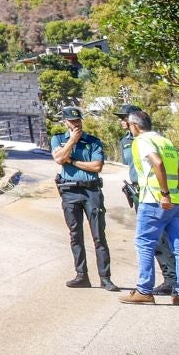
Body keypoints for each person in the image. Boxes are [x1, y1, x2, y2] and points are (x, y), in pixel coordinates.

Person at [119, 108, 179, 306]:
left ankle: (144, 290)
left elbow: (157, 163)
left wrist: (165, 194)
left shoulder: (142, 141)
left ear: (134, 126)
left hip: (154, 199)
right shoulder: (165, 141)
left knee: (144, 243)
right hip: (175, 202)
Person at [51, 106, 119, 290]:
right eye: (72, 121)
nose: (76, 124)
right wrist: (72, 141)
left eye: (78, 120)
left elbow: (97, 166)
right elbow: (58, 158)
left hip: (91, 191)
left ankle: (105, 278)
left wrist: (72, 161)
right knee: (75, 235)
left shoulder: (93, 141)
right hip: (70, 191)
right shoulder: (58, 139)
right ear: (65, 122)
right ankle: (81, 275)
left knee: (99, 236)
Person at [116, 103, 176, 296]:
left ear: (133, 120)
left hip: (154, 192)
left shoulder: (149, 140)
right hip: (139, 191)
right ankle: (174, 282)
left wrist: (165, 193)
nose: (121, 121)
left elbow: (160, 164)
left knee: (158, 238)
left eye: (124, 117)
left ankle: (169, 281)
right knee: (156, 240)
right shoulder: (127, 140)